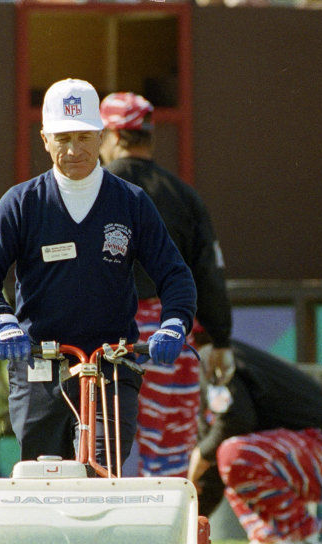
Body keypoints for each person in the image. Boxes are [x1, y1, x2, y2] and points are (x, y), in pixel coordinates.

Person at [0, 78, 196, 469]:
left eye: (85, 138)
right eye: (63, 138)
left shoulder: (131, 202)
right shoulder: (22, 203)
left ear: (101, 136)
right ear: (45, 139)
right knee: (43, 475)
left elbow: (175, 274)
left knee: (102, 471)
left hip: (112, 362)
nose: (73, 150)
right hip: (39, 359)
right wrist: (1, 321)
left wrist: (175, 323)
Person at [98, 91, 234, 479]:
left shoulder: (94, 191)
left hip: (107, 331)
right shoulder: (184, 195)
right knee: (169, 453)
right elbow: (208, 272)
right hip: (170, 331)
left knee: (103, 443)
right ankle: (164, 533)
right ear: (149, 137)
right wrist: (221, 341)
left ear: (110, 136)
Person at [187, 339, 322, 544]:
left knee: (234, 453)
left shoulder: (212, 355)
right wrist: (188, 524)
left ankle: (305, 536)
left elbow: (235, 421)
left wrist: (199, 458)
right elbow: (213, 467)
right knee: (228, 454)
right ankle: (269, 538)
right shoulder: (212, 360)